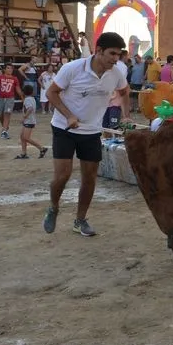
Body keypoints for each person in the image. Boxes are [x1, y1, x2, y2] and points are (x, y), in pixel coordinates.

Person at [43, 32, 131, 237]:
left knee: (90, 178)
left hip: (92, 131)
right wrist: (69, 115)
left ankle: (80, 220)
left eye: (119, 54)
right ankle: (53, 208)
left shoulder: (116, 73)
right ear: (98, 51)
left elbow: (125, 92)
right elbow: (51, 93)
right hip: (64, 128)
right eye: (112, 53)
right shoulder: (72, 69)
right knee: (63, 175)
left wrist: (126, 115)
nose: (116, 58)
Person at [16, 84, 48, 159]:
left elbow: (30, 109)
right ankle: (24, 153)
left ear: (24, 92)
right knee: (22, 137)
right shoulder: (32, 98)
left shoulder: (27, 99)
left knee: (26, 137)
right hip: (28, 121)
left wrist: (24, 117)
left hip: (29, 121)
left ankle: (42, 148)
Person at [0, 64, 22, 139]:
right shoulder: (0, 77)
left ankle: (4, 131)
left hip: (10, 98)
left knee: (7, 114)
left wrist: (22, 97)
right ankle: (5, 128)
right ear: (4, 69)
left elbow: (17, 88)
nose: (10, 70)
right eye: (8, 68)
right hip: (1, 98)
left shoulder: (15, 78)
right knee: (0, 115)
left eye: (11, 68)